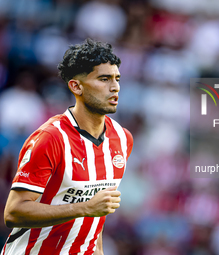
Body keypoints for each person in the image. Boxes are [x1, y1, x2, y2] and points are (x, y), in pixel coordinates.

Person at [1, 38, 133, 255]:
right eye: (104, 79)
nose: (114, 87)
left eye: (117, 78)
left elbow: (97, 215)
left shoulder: (122, 138)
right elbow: (14, 212)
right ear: (76, 86)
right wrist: (84, 208)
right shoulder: (50, 138)